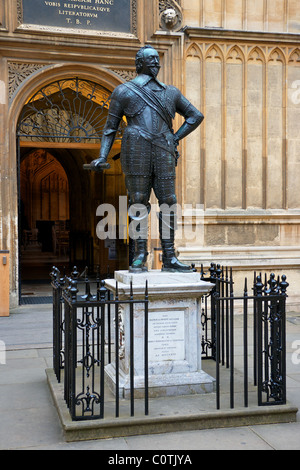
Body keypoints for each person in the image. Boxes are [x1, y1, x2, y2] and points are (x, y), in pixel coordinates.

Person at [90, 45, 204, 273]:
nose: (156, 63)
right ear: (139, 63)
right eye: (150, 59)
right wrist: (102, 156)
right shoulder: (124, 91)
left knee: (169, 201)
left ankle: (169, 256)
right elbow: (110, 128)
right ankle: (140, 254)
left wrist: (175, 138)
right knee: (138, 200)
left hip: (163, 149)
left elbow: (195, 115)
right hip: (136, 149)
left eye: (157, 59)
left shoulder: (170, 92)